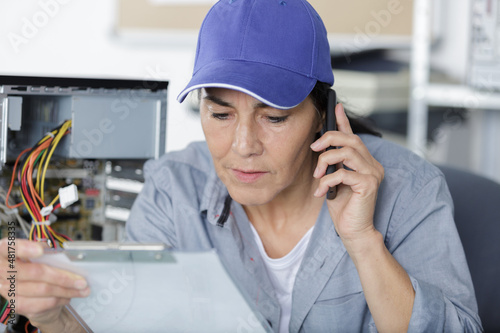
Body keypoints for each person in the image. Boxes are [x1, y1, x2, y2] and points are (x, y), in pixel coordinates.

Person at [0, 0, 482, 332]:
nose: (243, 145)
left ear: (324, 114)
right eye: (221, 113)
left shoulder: (410, 188)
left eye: (274, 117)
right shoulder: (174, 191)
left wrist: (363, 241)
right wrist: (54, 316)